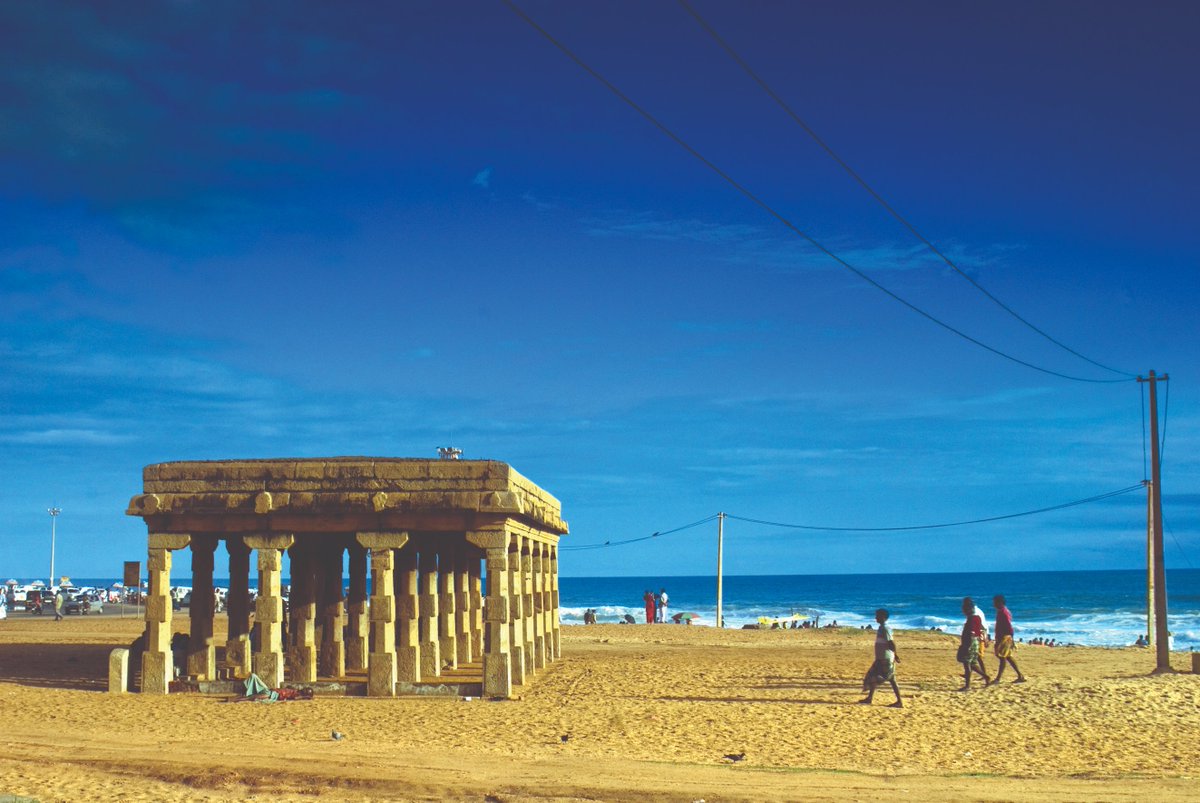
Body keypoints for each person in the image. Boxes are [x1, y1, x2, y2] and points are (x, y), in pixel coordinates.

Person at [861, 608, 902, 707]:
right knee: (877, 677)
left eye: (877, 616)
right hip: (881, 658)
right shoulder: (881, 628)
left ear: (883, 617)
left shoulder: (885, 628)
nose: (876, 618)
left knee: (875, 677)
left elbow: (891, 643)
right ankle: (870, 698)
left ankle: (899, 702)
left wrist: (895, 656)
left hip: (886, 658)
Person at [991, 595, 1027, 684]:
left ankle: (998, 679)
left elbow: (1009, 627)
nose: (994, 604)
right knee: (1007, 657)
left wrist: (1009, 638)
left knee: (1003, 657)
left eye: (995, 602)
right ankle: (1020, 676)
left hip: (1004, 638)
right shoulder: (1002, 611)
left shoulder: (1003, 612)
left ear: (1000, 603)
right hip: (1003, 637)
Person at [957, 596, 991, 690]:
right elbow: (980, 629)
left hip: (970, 642)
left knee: (967, 664)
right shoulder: (977, 617)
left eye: (963, 609)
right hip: (976, 642)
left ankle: (967, 686)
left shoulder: (971, 619)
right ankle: (986, 676)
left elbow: (972, 632)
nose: (963, 611)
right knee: (973, 664)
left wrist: (967, 646)